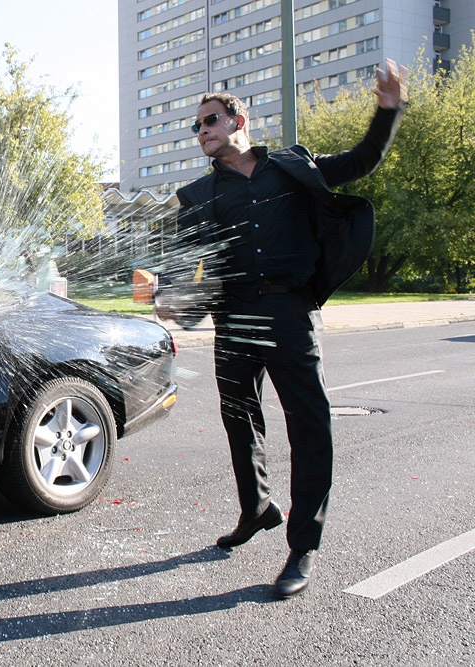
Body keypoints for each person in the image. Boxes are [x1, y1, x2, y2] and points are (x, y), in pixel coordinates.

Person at [156, 60, 406, 599]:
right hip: (234, 318)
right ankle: (256, 509)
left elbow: (362, 160)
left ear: (238, 120)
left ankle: (302, 547)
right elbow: (181, 262)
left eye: (209, 120)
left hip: (292, 313)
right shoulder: (198, 197)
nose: (201, 131)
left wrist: (387, 110)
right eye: (196, 126)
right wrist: (169, 296)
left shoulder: (294, 166)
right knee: (240, 421)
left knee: (310, 426)